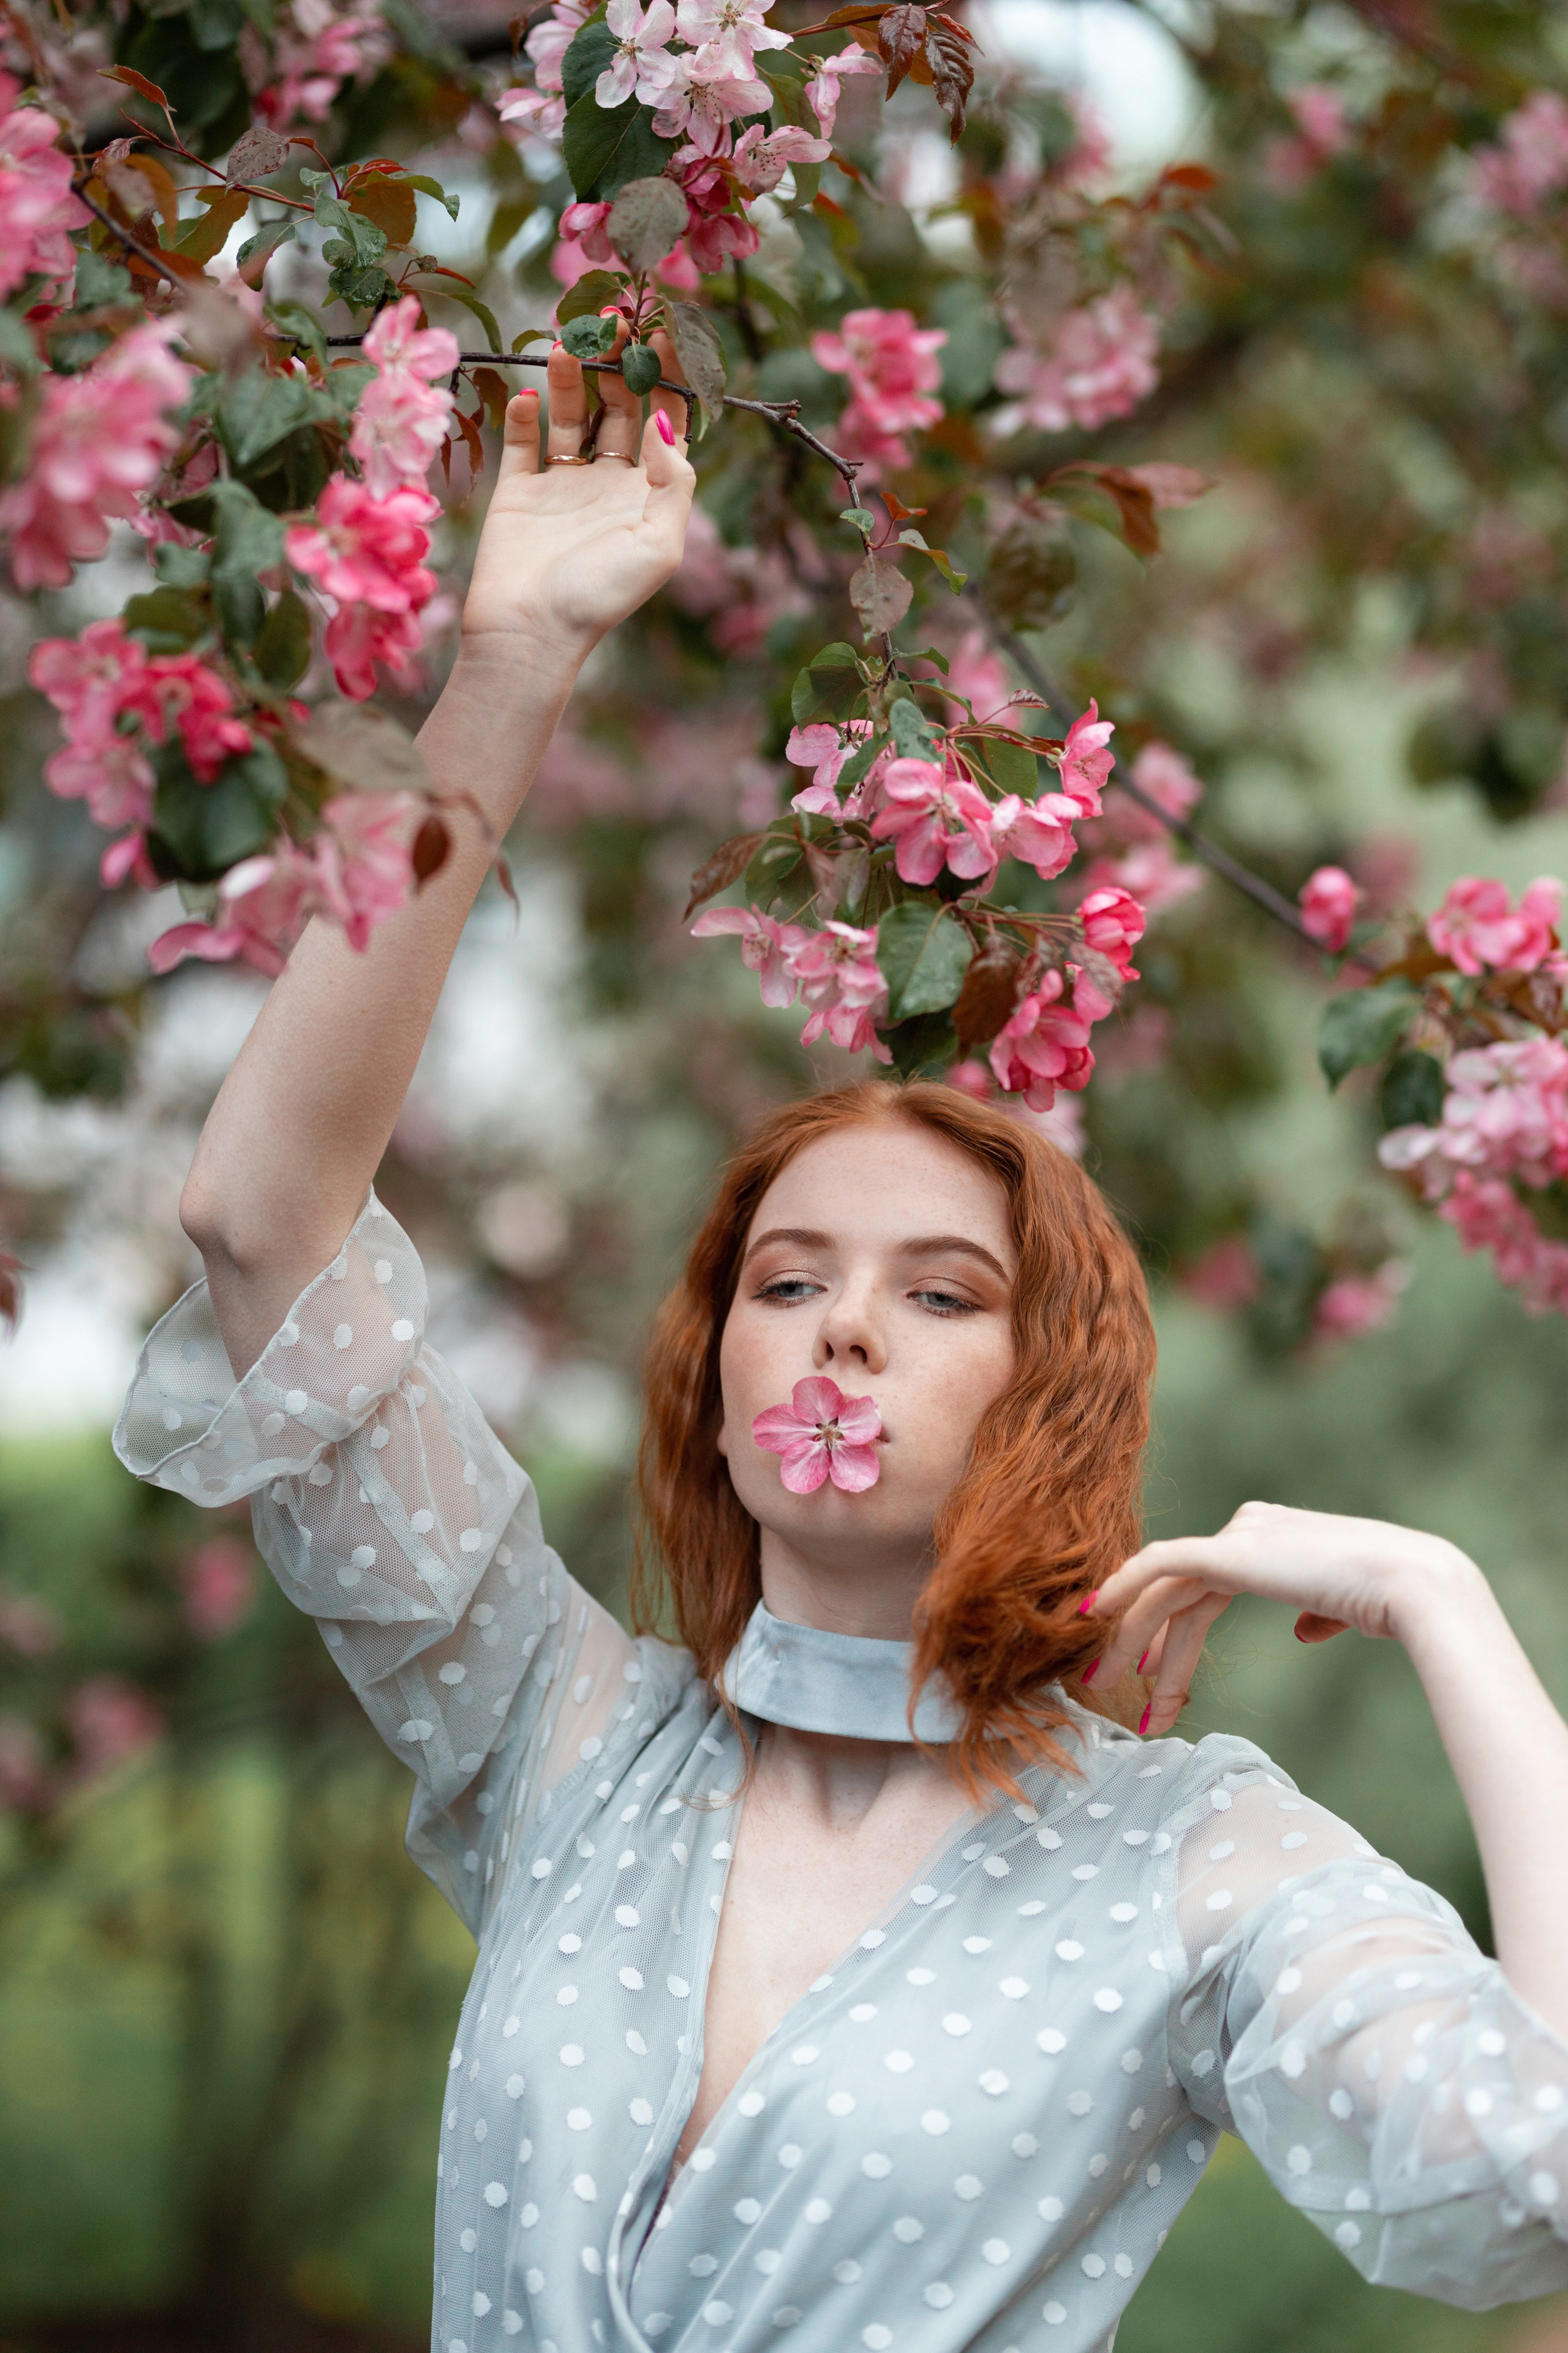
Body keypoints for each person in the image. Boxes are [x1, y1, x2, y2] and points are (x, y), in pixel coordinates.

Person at [114, 339, 1568, 2353]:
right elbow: (259, 1223)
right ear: (716, 1383)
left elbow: (1539, 2182)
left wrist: (1442, 1593)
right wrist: (510, 671)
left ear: (1052, 1393)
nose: (847, 1327)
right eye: (787, 1282)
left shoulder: (1187, 1857)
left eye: (941, 1292)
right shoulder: (555, 1732)